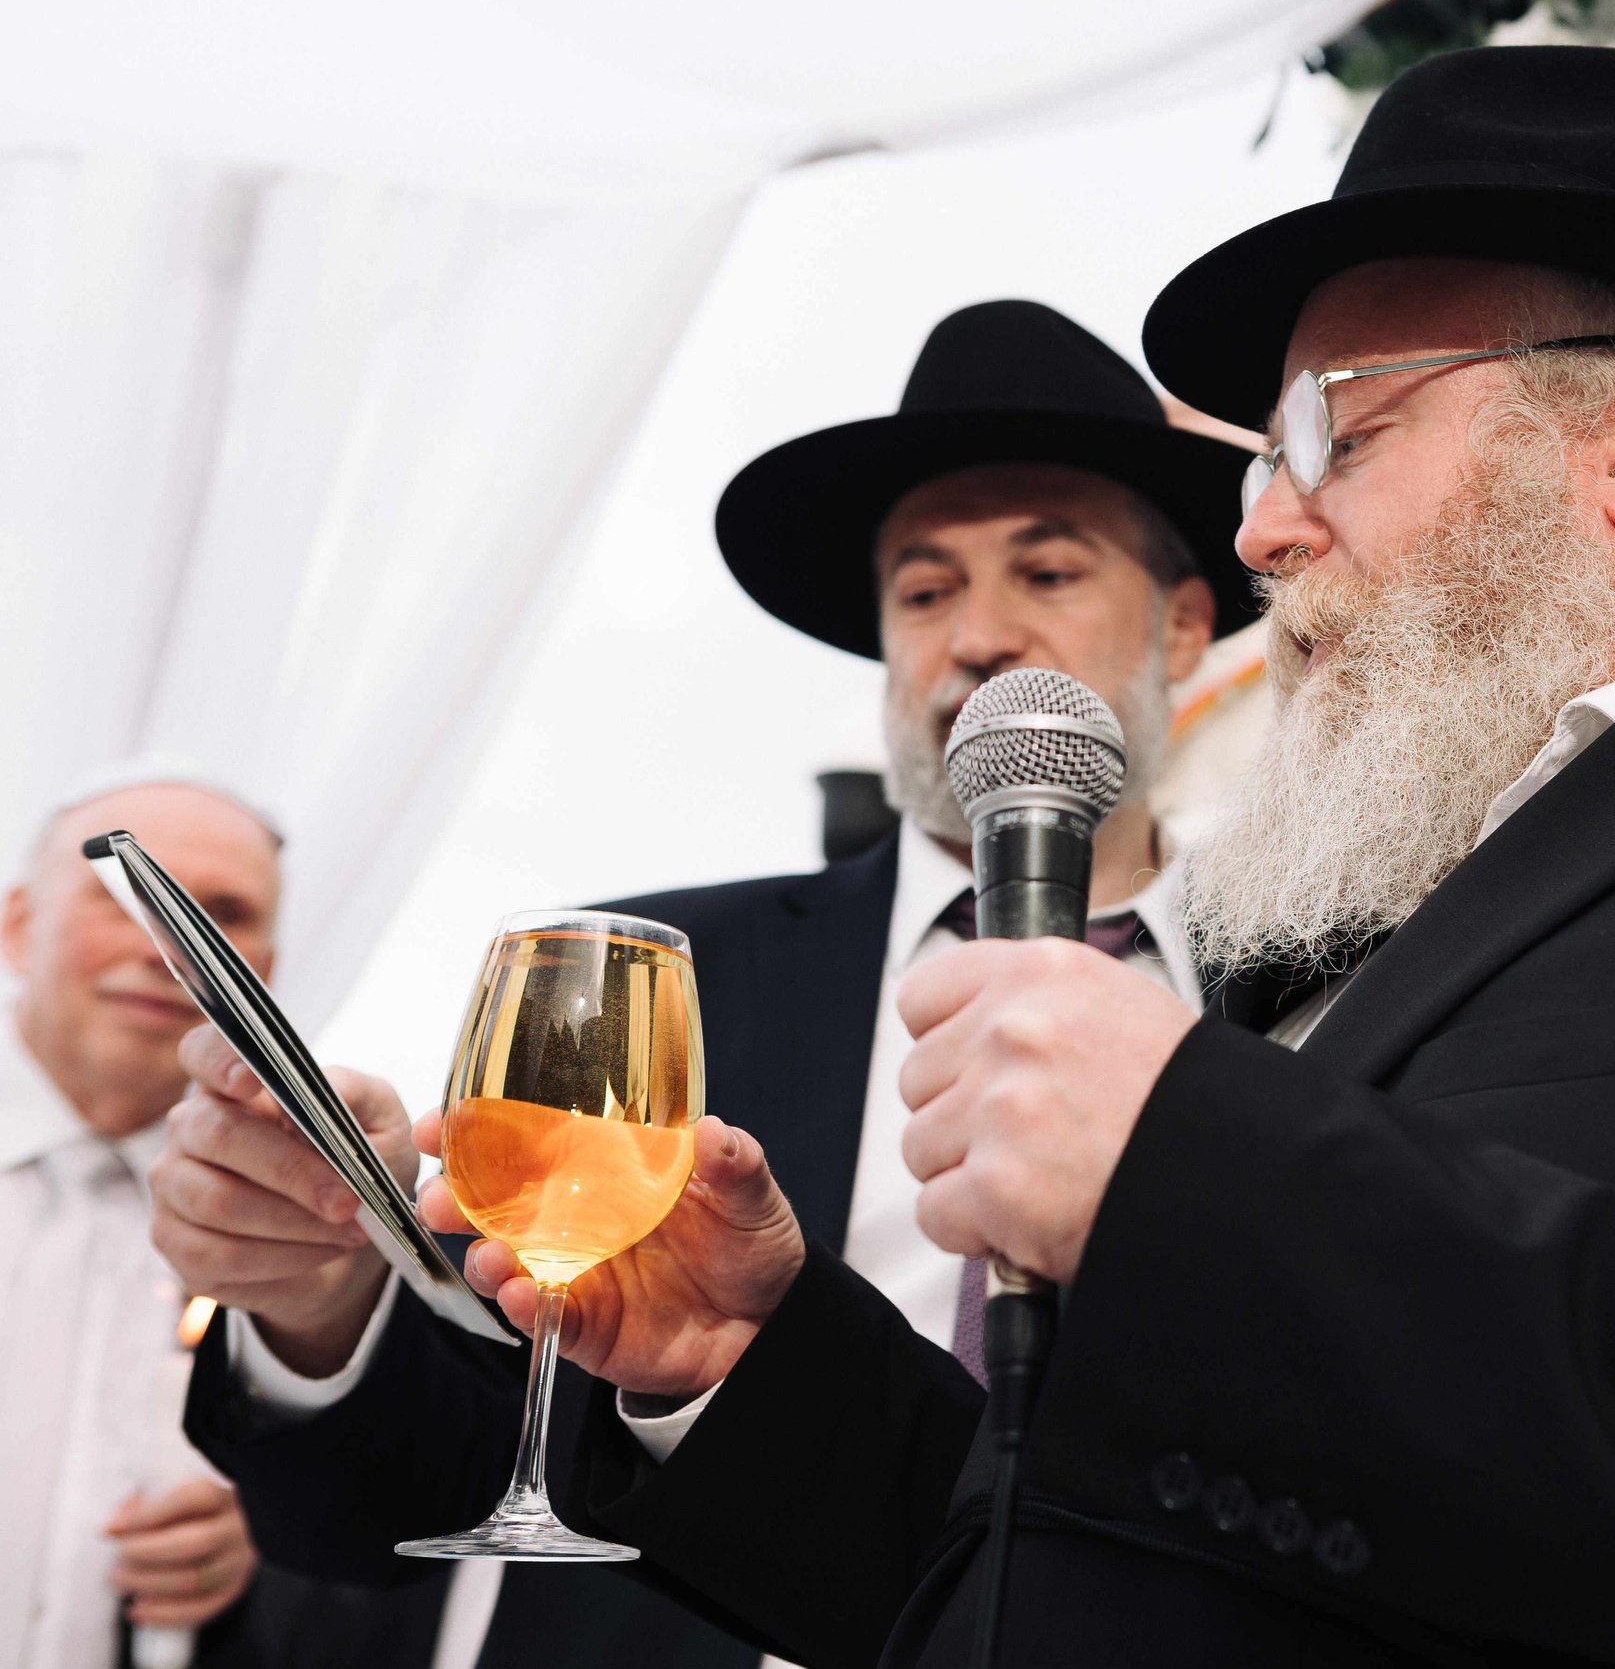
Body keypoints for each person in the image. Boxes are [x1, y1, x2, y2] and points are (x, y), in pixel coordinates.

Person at [444, 47, 1615, 1669]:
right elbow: (1118, 1567)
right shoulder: (1371, 928)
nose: (1266, 531)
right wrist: (742, 1357)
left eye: (1327, 433)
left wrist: (1199, 1164)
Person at [158, 301, 1256, 1669]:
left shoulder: (1314, 994)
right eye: (923, 591)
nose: (977, 635)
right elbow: (417, 1476)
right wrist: (318, 1299)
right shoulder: (647, 984)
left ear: (1183, 624)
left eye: (1047, 572)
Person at [1, 773, 278, 1668]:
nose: (173, 948)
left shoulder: (303, 1229)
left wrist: (271, 1526)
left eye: (225, 914)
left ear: (266, 969)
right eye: (128, 897)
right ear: (16, 925)